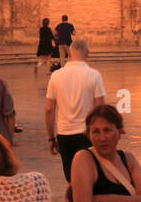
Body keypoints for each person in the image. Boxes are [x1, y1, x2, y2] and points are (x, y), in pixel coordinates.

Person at [45, 39, 104, 178]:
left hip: (64, 135)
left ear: (69, 54)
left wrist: (50, 138)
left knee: (71, 178)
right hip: (87, 134)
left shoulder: (56, 76)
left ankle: (73, 199)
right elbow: (100, 107)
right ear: (87, 54)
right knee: (89, 176)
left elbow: (49, 109)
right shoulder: (94, 75)